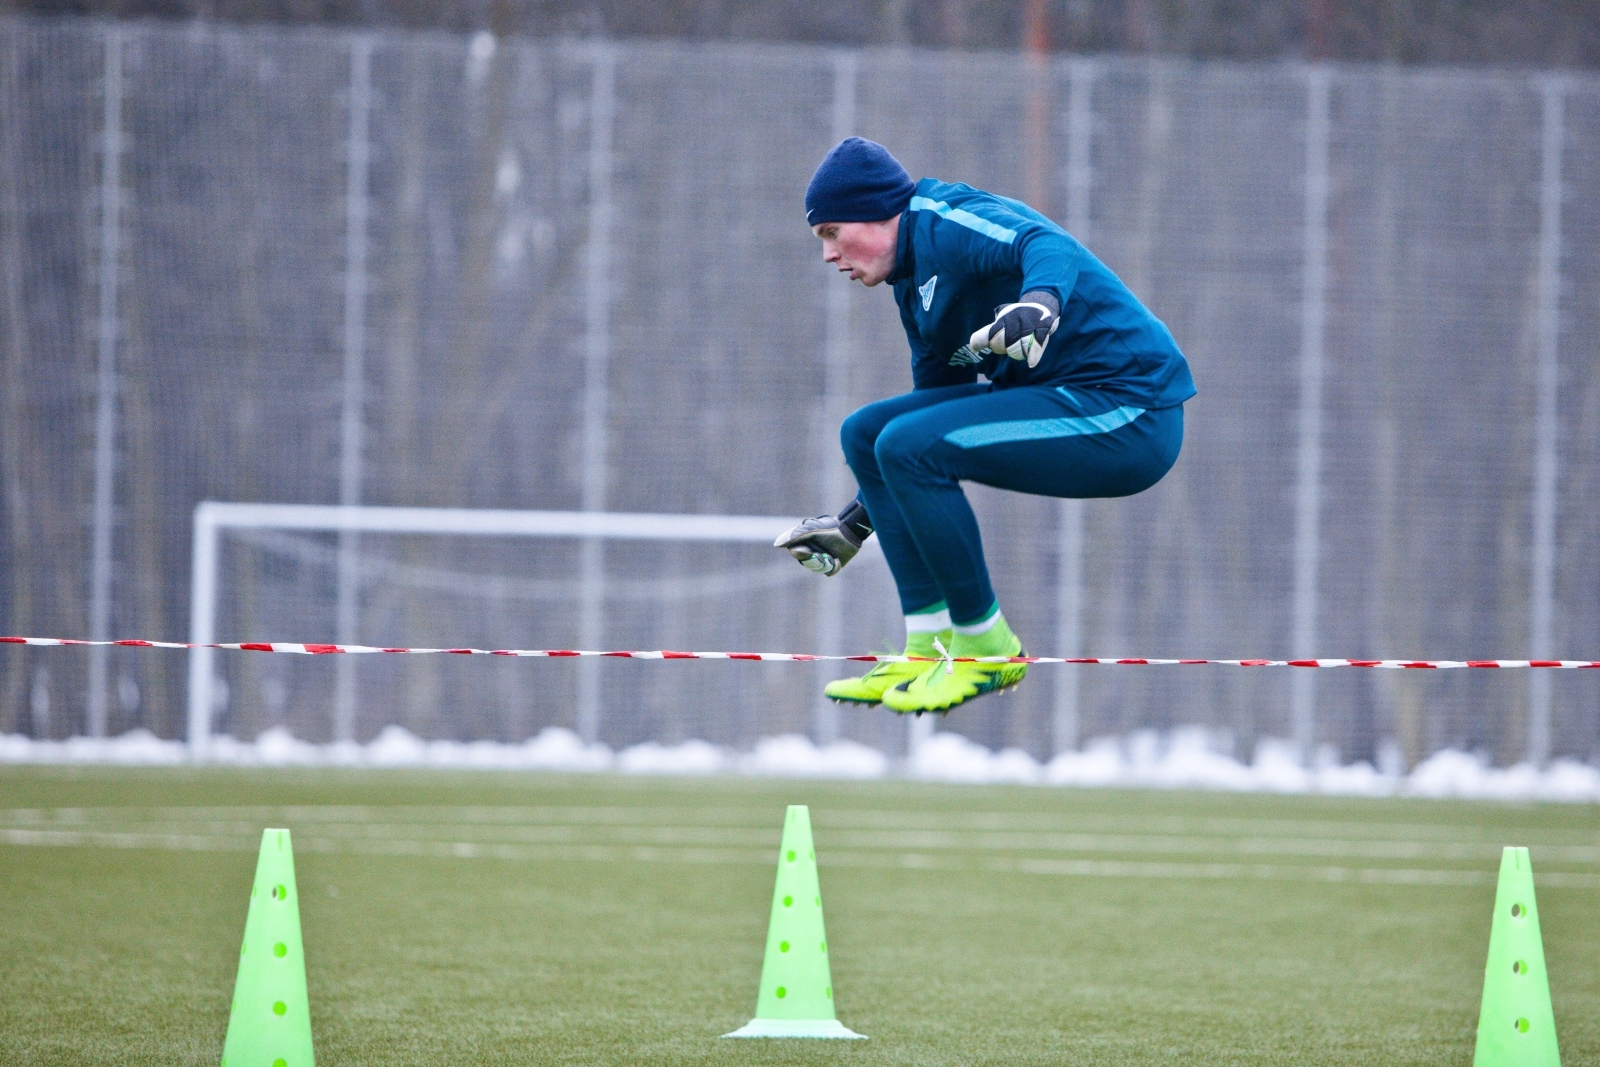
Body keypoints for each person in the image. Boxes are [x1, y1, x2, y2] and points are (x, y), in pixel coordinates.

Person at [775, 137, 1196, 715]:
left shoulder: (944, 221)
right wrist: (856, 521)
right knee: (867, 435)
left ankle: (986, 648)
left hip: (1130, 411)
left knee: (904, 444)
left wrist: (1039, 303)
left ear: (875, 211)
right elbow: (925, 418)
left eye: (831, 232)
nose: (828, 254)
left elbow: (1047, 244)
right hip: (1065, 399)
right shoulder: (913, 286)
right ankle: (927, 649)